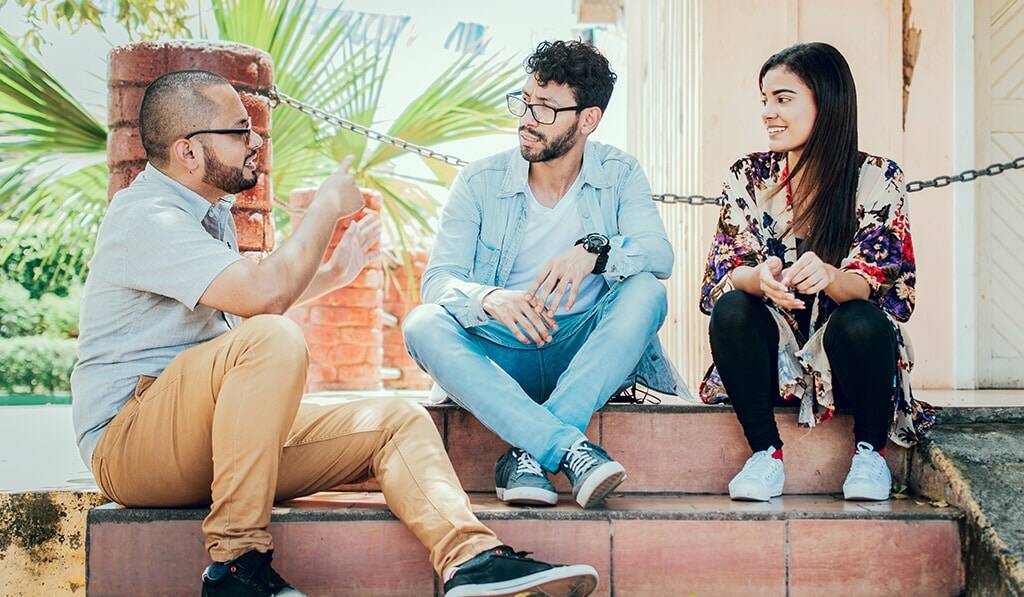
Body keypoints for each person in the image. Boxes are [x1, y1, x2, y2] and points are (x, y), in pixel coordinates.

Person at [71, 69, 598, 597]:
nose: (255, 141)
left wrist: (336, 275)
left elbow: (244, 299)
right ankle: (235, 567)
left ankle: (471, 560)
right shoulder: (146, 217)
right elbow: (264, 301)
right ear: (187, 151)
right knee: (274, 335)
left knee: (397, 420)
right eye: (239, 131)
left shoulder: (209, 213)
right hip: (132, 443)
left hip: (210, 445)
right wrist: (324, 207)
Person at [402, 40, 684, 510]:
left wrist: (595, 252)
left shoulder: (619, 173)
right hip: (500, 349)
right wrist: (490, 298)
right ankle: (566, 448)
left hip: (582, 350)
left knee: (646, 292)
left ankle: (529, 453)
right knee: (422, 323)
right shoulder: (479, 181)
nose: (528, 119)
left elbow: (659, 254)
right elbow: (438, 280)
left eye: (547, 109)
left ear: (588, 119)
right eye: (526, 102)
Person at [698, 42, 934, 503]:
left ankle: (870, 453)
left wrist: (829, 274)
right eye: (764, 100)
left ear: (826, 102)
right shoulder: (748, 176)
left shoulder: (876, 177)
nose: (768, 112)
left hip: (849, 370)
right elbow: (724, 269)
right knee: (732, 308)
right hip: (774, 366)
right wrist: (758, 277)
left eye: (783, 99)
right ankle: (765, 454)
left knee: (861, 319)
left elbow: (878, 282)